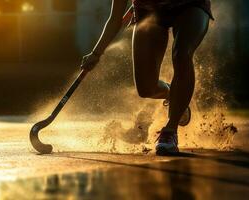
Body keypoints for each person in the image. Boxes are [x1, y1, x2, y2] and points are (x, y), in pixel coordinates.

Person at [80, 0, 213, 155]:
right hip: (150, 10)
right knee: (146, 88)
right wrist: (96, 54)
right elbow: (114, 19)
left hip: (190, 5)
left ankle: (170, 130)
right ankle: (173, 94)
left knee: (181, 54)